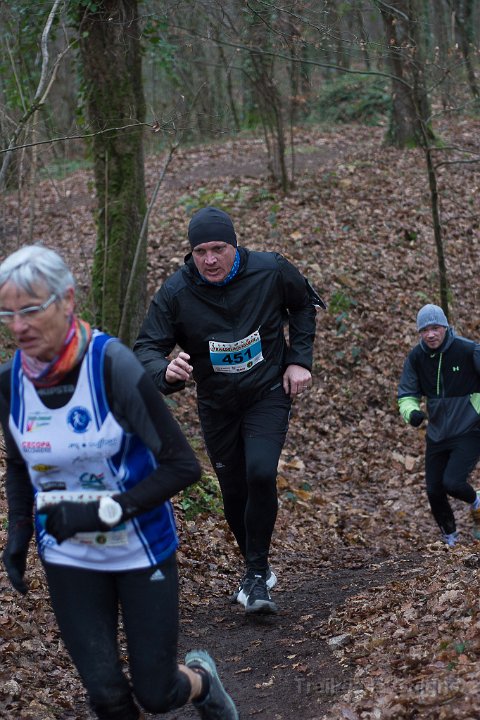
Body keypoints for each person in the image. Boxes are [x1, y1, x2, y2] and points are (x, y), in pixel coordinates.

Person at [0, 245, 239, 720]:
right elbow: (20, 464)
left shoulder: (112, 367)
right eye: (7, 314)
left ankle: (202, 681)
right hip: (68, 553)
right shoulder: (10, 383)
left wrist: (103, 510)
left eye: (31, 309)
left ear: (67, 300)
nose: (18, 326)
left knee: (156, 693)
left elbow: (182, 466)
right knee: (107, 696)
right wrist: (19, 531)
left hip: (139, 546)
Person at [133, 206, 323, 615]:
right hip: (217, 403)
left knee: (260, 472)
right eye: (200, 251)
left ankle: (254, 575)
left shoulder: (270, 270)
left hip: (267, 391)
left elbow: (304, 304)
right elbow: (146, 347)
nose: (210, 259)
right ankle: (258, 568)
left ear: (234, 246)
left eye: (218, 248)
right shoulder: (176, 293)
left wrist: (299, 359)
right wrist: (166, 371)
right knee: (234, 490)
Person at [398, 303, 480, 547]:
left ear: (445, 327)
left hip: (469, 429)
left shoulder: (468, 350)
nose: (430, 334)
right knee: (434, 490)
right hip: (437, 433)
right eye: (425, 330)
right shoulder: (416, 357)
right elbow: (406, 394)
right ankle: (450, 539)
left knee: (453, 483)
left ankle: (476, 500)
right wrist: (412, 413)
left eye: (435, 328)